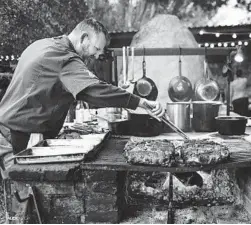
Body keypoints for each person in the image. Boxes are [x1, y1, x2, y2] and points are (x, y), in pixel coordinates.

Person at [0, 18, 164, 155]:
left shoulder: (42, 44)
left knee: (12, 188)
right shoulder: (65, 58)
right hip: (16, 135)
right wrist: (140, 102)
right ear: (84, 38)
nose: (98, 55)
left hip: (6, 126)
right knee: (20, 189)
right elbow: (96, 91)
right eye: (97, 48)